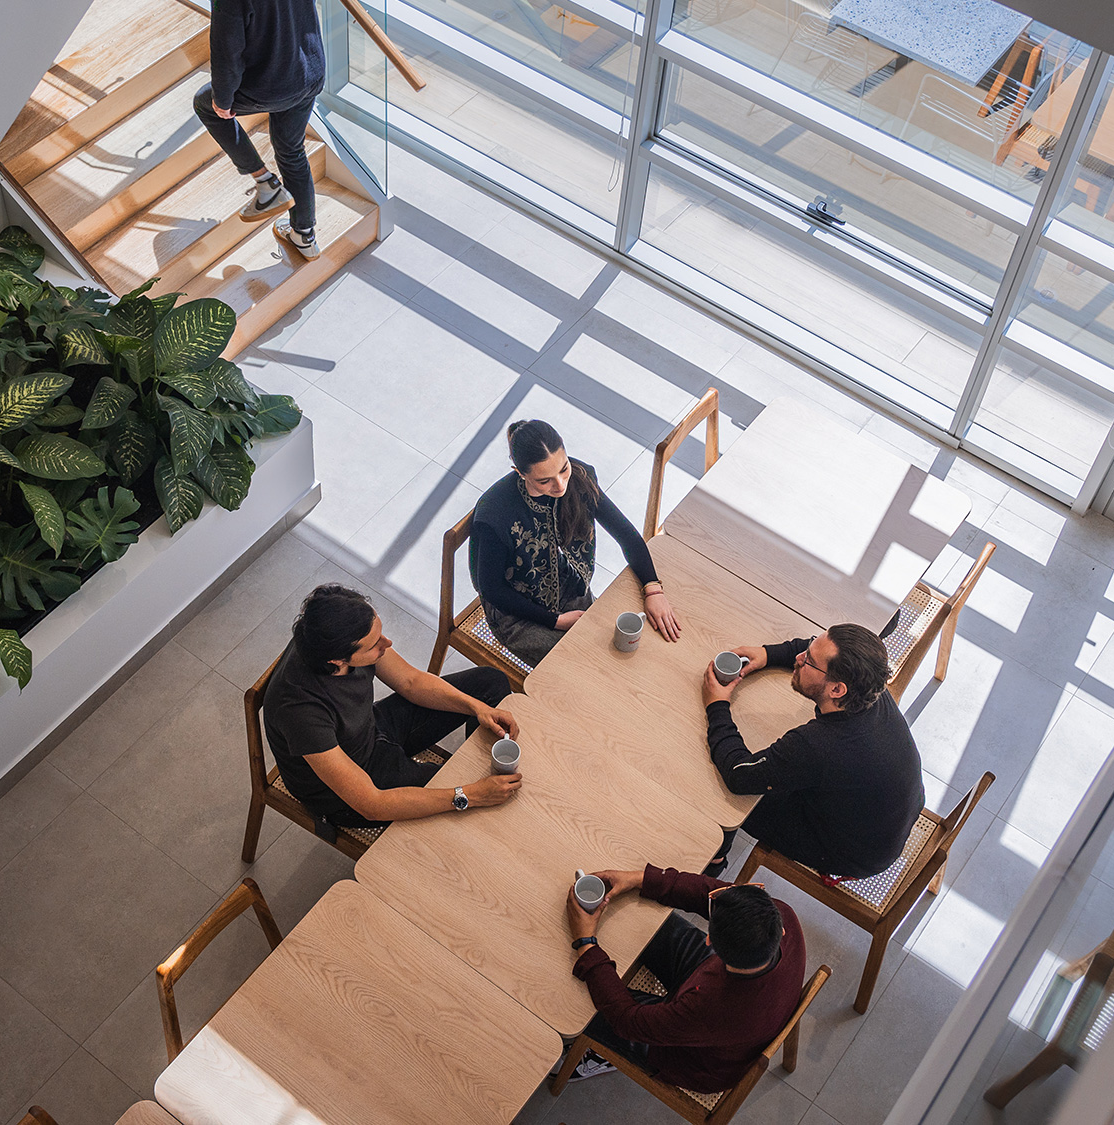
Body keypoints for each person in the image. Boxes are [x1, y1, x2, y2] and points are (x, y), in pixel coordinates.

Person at [261, 584, 521, 833]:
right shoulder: (299, 711)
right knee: (461, 793)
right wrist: (470, 794)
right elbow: (372, 804)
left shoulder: (332, 632)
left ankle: (483, 772)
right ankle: (480, 791)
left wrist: (477, 708)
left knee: (489, 683)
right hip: (351, 790)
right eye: (375, 644)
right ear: (337, 660)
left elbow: (411, 682)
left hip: (370, 728)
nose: (387, 644)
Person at [192, 0, 338, 259]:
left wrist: (224, 99)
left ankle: (263, 182)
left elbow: (227, 51)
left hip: (269, 85)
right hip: (309, 72)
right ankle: (304, 236)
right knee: (290, 150)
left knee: (205, 104)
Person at [699, 624, 923, 879]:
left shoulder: (818, 745)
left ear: (837, 689)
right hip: (886, 814)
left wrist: (716, 704)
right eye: (808, 648)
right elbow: (815, 649)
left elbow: (739, 774)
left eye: (809, 662)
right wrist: (767, 654)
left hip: (853, 852)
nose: (798, 658)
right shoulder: (868, 684)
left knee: (726, 792)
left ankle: (713, 862)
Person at [560, 866, 805, 1090]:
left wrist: (586, 944)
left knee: (582, 1004)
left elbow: (628, 1021)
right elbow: (713, 893)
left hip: (692, 1059)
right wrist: (640, 879)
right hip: (730, 1004)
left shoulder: (710, 1007)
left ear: (711, 943)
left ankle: (601, 1057)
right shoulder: (782, 917)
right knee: (648, 925)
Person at [468, 419, 681, 666]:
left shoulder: (579, 477)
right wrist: (555, 621)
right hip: (517, 613)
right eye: (544, 480)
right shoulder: (495, 514)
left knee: (621, 652)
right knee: (584, 667)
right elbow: (492, 590)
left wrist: (653, 588)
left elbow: (624, 533)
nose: (560, 485)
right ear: (519, 472)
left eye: (563, 468)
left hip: (568, 588)